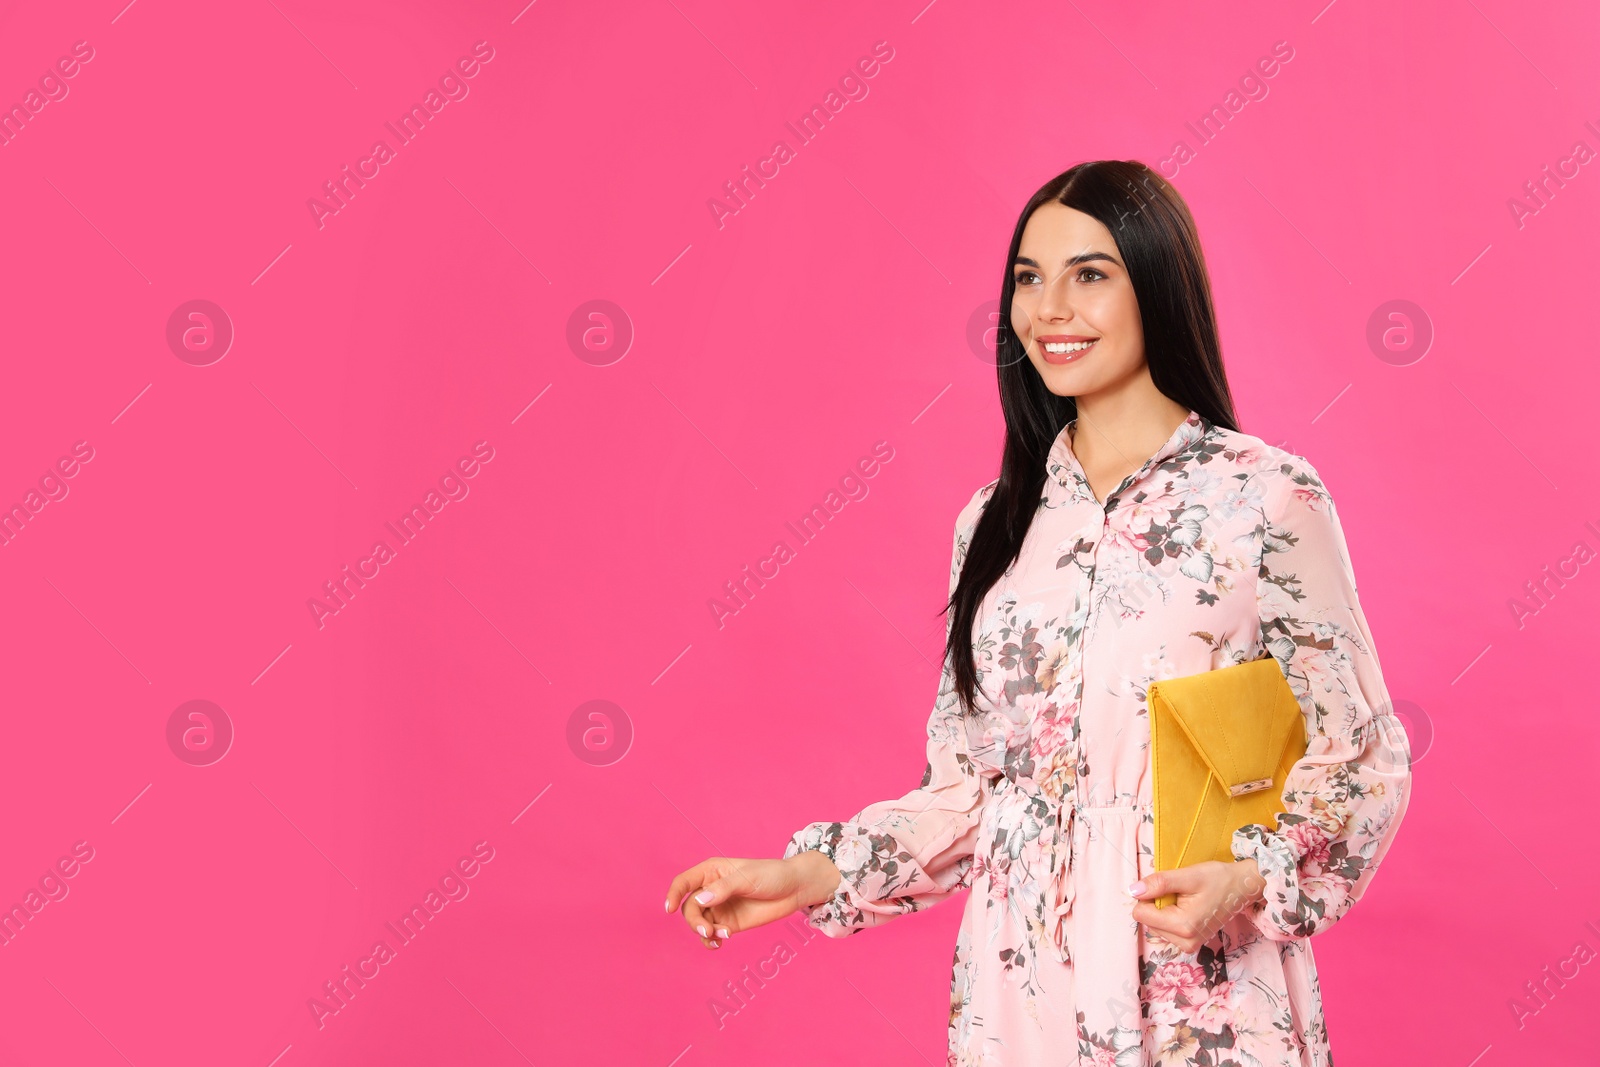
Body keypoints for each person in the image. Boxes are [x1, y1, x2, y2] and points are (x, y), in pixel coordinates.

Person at [664, 159, 1413, 1066]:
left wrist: (1252, 877)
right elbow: (973, 794)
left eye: (1089, 274)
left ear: (1159, 284)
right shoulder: (994, 521)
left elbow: (1362, 759)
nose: (1049, 307)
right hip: (1019, 994)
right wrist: (802, 876)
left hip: (1196, 983)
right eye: (1028, 277)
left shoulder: (1263, 498)